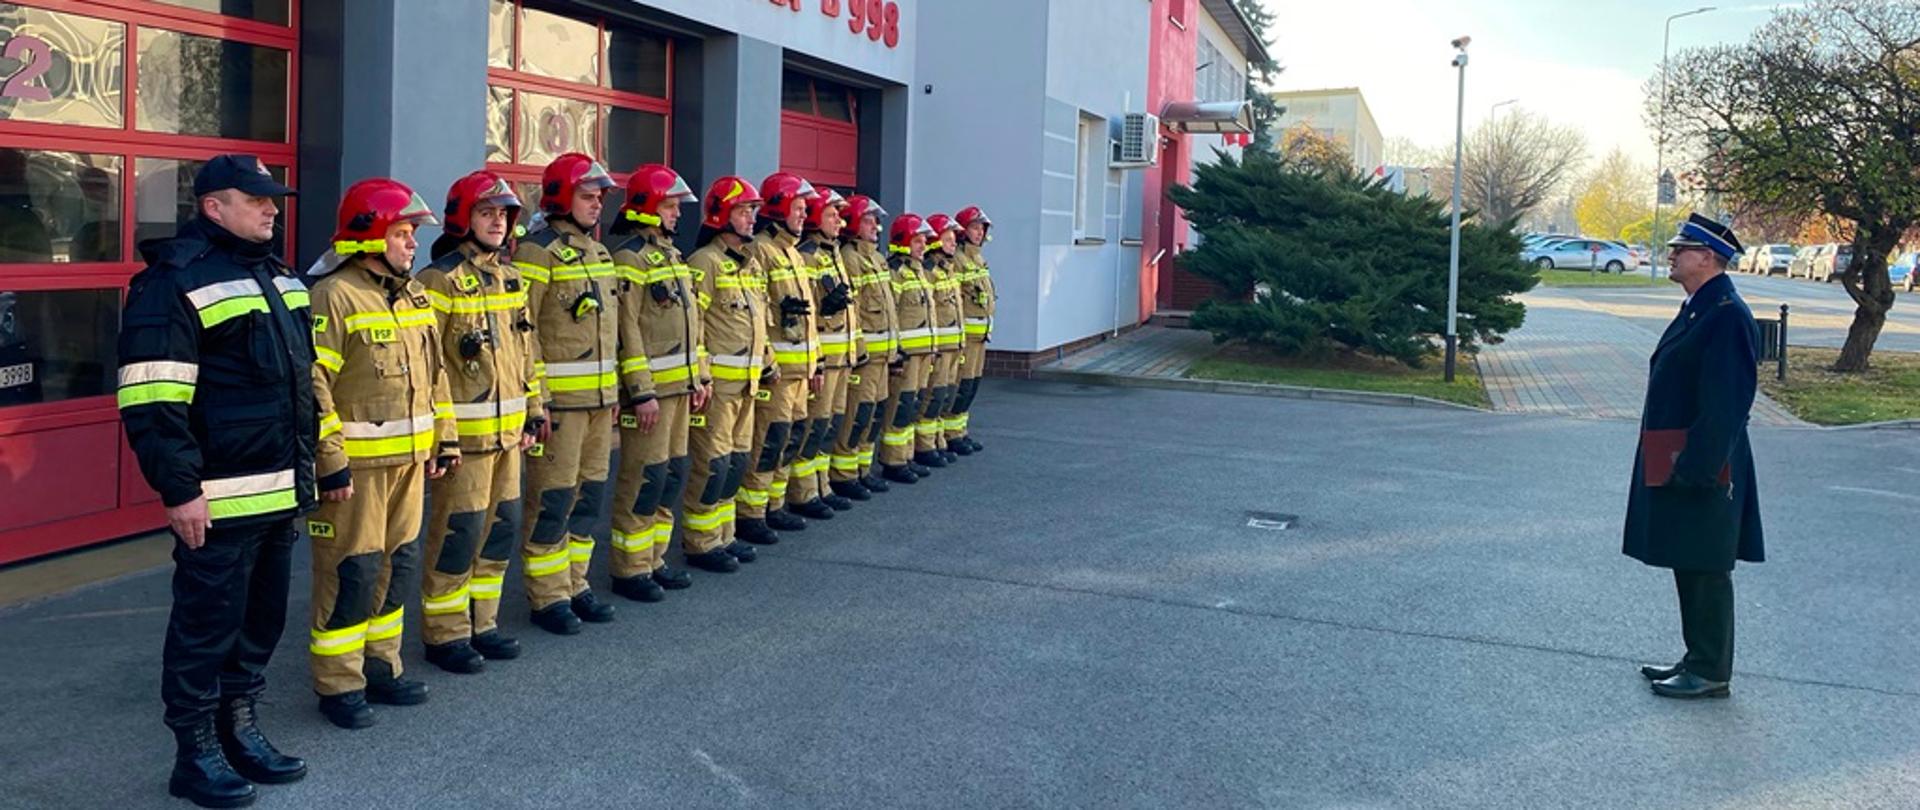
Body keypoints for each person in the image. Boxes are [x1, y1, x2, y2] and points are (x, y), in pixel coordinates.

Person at [119, 154, 310, 807]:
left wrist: (318, 469)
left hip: (279, 490)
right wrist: (179, 489)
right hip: (218, 497)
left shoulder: (280, 278)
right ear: (212, 206)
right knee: (206, 626)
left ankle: (240, 729)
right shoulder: (173, 283)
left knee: (260, 621)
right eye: (256, 199)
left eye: (273, 199)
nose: (272, 208)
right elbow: (153, 399)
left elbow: (305, 388)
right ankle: (195, 752)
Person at [306, 178, 458, 729]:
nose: (412, 245)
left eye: (413, 234)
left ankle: (381, 666)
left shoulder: (413, 294)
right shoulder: (334, 295)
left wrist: (444, 440)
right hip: (358, 471)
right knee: (351, 570)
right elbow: (313, 384)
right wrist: (331, 460)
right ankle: (339, 683)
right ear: (368, 235)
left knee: (397, 567)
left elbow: (435, 375)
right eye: (403, 233)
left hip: (412, 463)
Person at [1624, 213, 1765, 700]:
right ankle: (1696, 657)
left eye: (1681, 249)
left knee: (1706, 566)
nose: (1672, 254)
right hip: (1683, 456)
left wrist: (1698, 469)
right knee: (1690, 558)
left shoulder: (1725, 314)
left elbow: (1726, 405)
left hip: (1705, 463)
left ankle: (1709, 671)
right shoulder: (1700, 306)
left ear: (1707, 258)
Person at [413, 171, 543, 674]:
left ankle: (482, 622)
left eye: (504, 215)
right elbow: (431, 367)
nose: (496, 222)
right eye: (486, 213)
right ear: (462, 218)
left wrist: (535, 409)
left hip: (510, 437)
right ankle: (445, 634)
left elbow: (526, 351)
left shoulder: (511, 277)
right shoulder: (437, 279)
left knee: (498, 531)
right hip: (465, 442)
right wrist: (441, 439)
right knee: (457, 534)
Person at [514, 153, 621, 635]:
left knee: (588, 498)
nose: (597, 204)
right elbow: (525, 331)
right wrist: (538, 402)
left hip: (600, 404)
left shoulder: (598, 253)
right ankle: (548, 595)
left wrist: (617, 392)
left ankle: (577, 583)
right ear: (561, 197)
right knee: (552, 501)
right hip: (561, 407)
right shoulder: (537, 251)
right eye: (588, 195)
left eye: (600, 197)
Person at [605, 164, 706, 602]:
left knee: (668, 476)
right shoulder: (628, 258)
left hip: (681, 391)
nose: (677, 215)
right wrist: (640, 392)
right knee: (642, 479)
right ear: (646, 207)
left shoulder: (673, 258)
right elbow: (627, 331)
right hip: (652, 397)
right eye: (669, 206)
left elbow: (693, 326)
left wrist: (699, 377)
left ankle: (655, 558)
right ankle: (630, 569)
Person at [680, 176, 773, 572]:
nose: (751, 218)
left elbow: (760, 319)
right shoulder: (705, 263)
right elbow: (693, 324)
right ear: (721, 215)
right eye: (743, 210)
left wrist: (768, 360)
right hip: (718, 388)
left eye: (753, 210)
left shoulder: (749, 265)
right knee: (712, 464)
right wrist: (701, 376)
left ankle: (724, 535)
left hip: (749, 384)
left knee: (735, 463)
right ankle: (701, 543)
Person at [738, 172, 822, 543]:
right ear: (780, 209)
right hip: (777, 371)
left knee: (790, 437)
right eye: (798, 208)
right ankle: (752, 514)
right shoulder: (761, 250)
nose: (804, 216)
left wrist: (815, 362)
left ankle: (775, 504)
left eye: (805, 210)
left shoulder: (793, 253)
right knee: (768, 440)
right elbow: (757, 314)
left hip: (800, 369)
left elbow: (809, 318)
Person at [789, 185, 858, 514]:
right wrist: (815, 362)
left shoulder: (834, 254)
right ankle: (804, 493)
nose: (839, 222)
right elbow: (808, 315)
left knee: (829, 425)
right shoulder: (807, 255)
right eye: (832, 215)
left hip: (841, 359)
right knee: (813, 428)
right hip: (823, 361)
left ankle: (821, 485)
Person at [830, 195, 898, 499]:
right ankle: (844, 474)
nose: (876, 227)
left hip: (883, 355)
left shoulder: (878, 258)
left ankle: (862, 468)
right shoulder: (851, 258)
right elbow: (852, 310)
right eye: (869, 220)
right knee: (856, 414)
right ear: (856, 223)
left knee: (873, 414)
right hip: (865, 356)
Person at [877, 213, 938, 484]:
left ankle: (907, 454)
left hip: (923, 353)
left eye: (924, 241)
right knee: (899, 407)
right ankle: (893, 460)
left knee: (911, 406)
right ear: (903, 241)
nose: (922, 246)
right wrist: (897, 353)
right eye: (917, 241)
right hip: (908, 355)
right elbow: (892, 316)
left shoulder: (920, 271)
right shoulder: (897, 273)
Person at [918, 213, 967, 468]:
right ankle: (924, 447)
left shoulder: (947, 270)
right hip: (937, 348)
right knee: (932, 397)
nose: (953, 244)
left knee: (943, 396)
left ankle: (938, 441)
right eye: (948, 239)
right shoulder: (928, 272)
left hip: (951, 346)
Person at [946, 206, 996, 454]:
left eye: (981, 228)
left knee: (971, 386)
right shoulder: (957, 259)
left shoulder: (977, 259)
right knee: (958, 385)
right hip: (964, 337)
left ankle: (961, 430)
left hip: (980, 337)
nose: (979, 233)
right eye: (974, 228)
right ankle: (950, 434)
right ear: (963, 231)